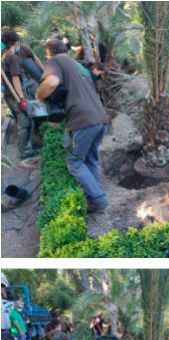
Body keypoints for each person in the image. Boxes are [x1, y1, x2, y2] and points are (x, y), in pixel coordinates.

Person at [37, 38, 111, 213]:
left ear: (49, 52)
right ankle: (94, 194)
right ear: (66, 49)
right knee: (90, 158)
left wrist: (40, 95)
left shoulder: (54, 61)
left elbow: (52, 82)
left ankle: (98, 199)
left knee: (75, 162)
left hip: (82, 121)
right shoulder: (78, 65)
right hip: (100, 118)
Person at [2, 31, 38, 160]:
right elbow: (16, 80)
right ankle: (25, 153)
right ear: (17, 42)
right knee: (25, 122)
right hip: (15, 95)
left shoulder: (3, 55)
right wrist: (22, 98)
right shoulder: (13, 58)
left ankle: (28, 147)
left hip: (8, 94)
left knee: (23, 120)